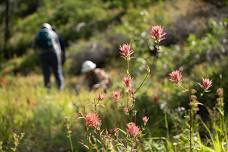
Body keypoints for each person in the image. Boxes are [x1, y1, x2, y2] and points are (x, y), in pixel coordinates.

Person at [34, 23, 64, 90]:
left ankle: (48, 89)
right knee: (57, 71)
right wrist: (60, 55)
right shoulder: (53, 33)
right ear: (49, 27)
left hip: (43, 55)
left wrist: (39, 55)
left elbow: (35, 47)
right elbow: (58, 46)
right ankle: (60, 88)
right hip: (54, 54)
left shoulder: (38, 34)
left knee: (46, 73)